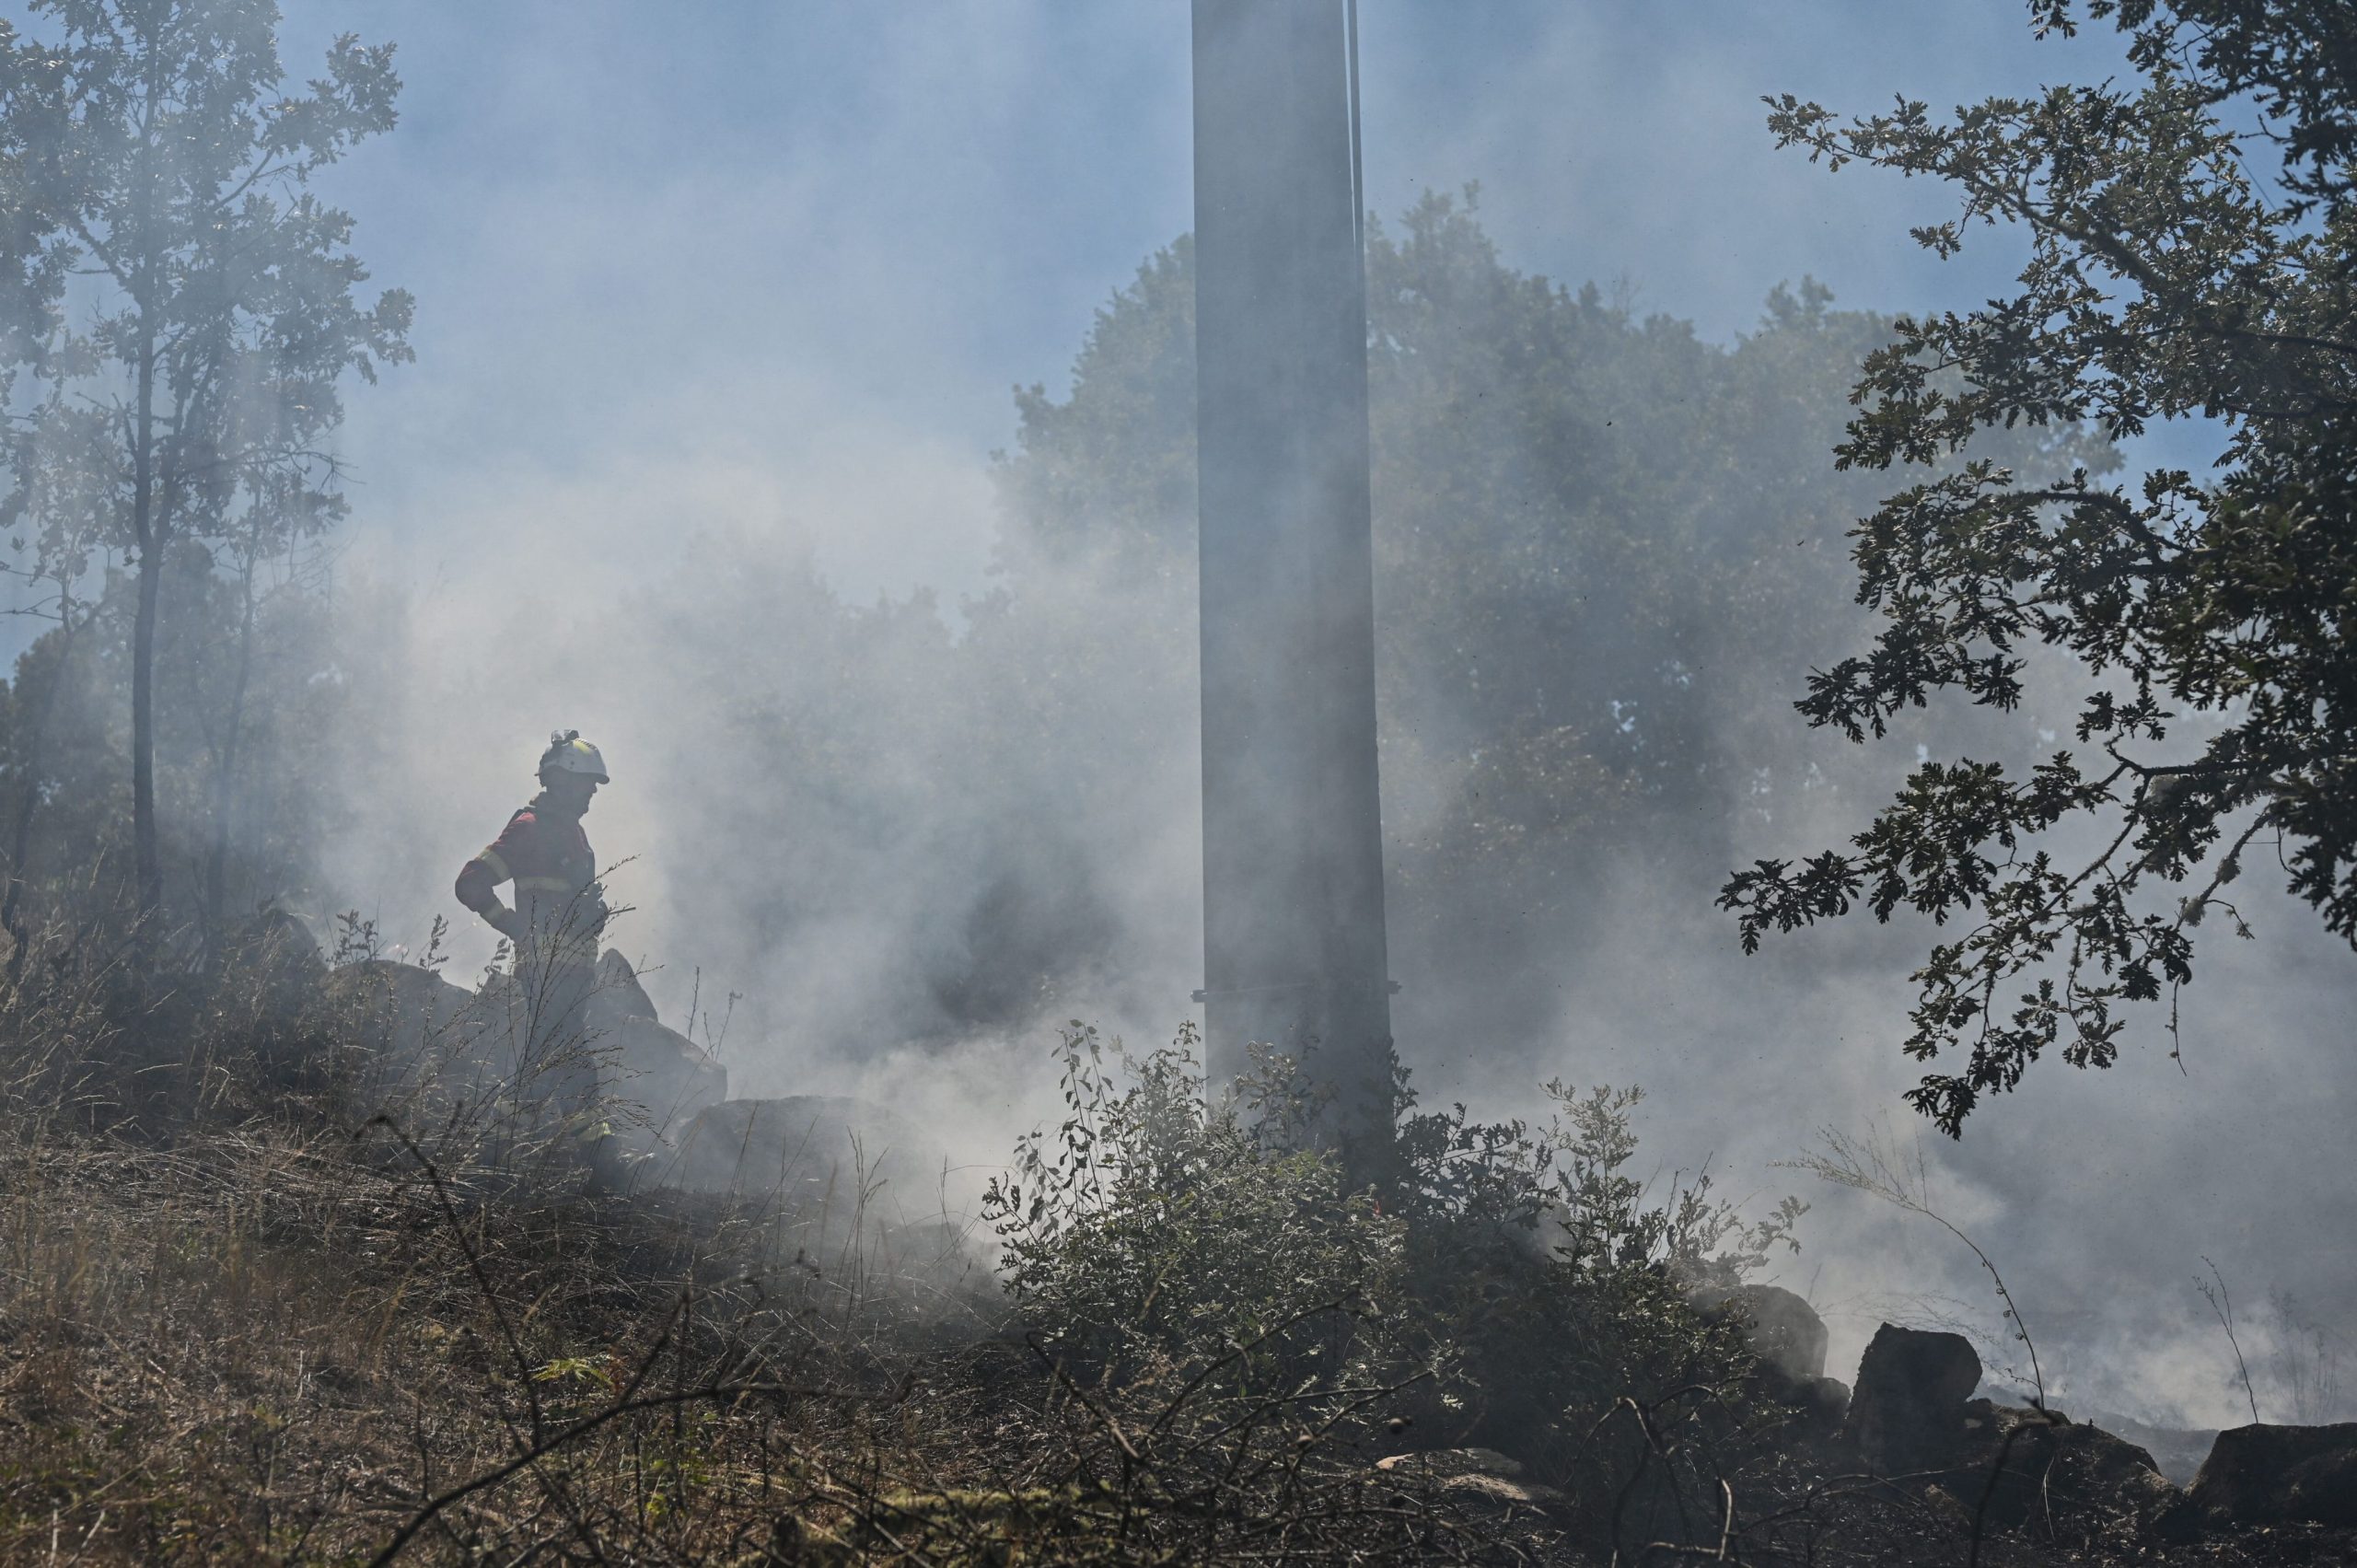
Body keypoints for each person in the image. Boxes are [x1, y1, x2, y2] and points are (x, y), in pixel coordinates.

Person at [455, 729, 616, 1174]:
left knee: (547, 1056)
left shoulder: (574, 834)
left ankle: (496, 1149)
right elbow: (470, 882)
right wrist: (513, 927)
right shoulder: (530, 829)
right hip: (546, 967)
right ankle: (602, 1159)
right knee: (568, 1053)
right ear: (560, 781)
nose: (590, 796)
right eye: (586, 785)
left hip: (573, 969)